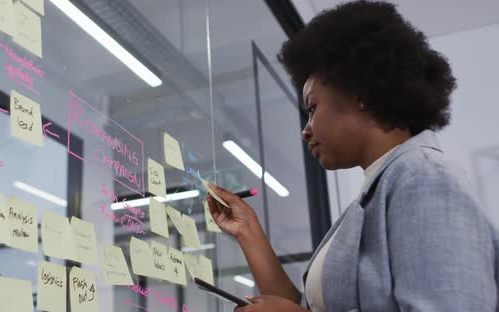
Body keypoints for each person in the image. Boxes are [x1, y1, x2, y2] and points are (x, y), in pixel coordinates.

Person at [206, 1, 499, 311]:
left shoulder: (425, 180)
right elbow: (305, 306)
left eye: (313, 107)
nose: (306, 130)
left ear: (360, 94)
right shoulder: (376, 192)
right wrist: (247, 229)